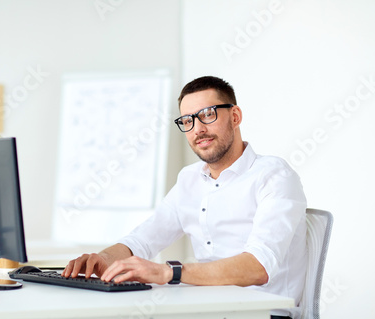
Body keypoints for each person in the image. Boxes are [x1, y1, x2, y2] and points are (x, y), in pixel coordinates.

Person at [62, 76, 307, 319]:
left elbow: (259, 267)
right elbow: (143, 239)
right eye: (188, 120)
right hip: (205, 310)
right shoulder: (189, 179)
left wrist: (170, 272)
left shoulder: (274, 176)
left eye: (208, 114)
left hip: (263, 314)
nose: (198, 129)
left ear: (235, 116)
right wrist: (103, 259)